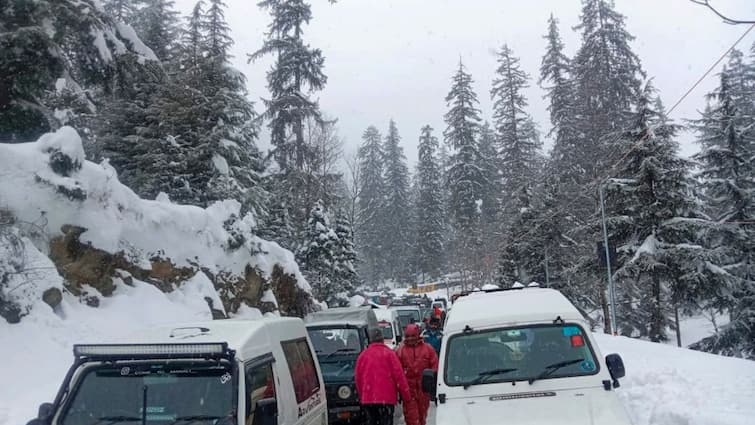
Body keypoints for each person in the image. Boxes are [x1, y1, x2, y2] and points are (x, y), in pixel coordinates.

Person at [355, 328, 412, 425]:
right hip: (387, 399)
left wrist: (362, 395)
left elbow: (358, 378)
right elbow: (399, 376)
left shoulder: (363, 356)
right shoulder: (390, 354)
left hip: (368, 399)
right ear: (382, 339)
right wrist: (406, 396)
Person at [397, 324, 439, 425]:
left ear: (417, 335)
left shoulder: (428, 349)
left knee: (422, 417)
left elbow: (435, 366)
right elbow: (397, 371)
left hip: (423, 390)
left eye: (412, 336)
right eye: (407, 336)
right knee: (412, 418)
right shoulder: (400, 351)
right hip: (408, 391)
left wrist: (432, 384)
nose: (410, 338)